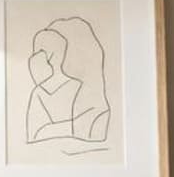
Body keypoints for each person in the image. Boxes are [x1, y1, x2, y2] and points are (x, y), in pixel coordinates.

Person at [26, 16, 111, 147]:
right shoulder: (41, 92)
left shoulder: (86, 93)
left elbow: (98, 128)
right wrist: (74, 127)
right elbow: (35, 135)